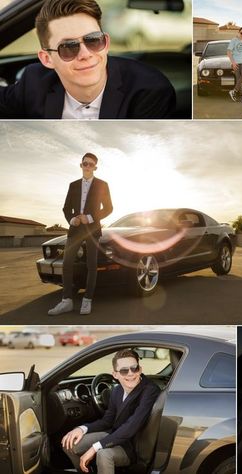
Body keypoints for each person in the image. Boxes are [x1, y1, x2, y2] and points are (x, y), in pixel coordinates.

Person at [0, 0, 175, 119]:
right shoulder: (33, 82)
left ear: (106, 43)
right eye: (68, 47)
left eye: (93, 40)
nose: (85, 54)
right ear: (47, 59)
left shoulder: (150, 91)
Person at [62, 349, 160, 473]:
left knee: (104, 454)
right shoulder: (116, 390)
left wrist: (95, 447)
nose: (130, 374)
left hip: (133, 446)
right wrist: (81, 429)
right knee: (69, 443)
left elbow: (131, 426)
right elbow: (107, 421)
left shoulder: (150, 390)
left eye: (134, 368)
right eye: (124, 370)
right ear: (115, 375)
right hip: (114, 434)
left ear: (140, 370)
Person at [48, 152, 113, 316]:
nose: (88, 166)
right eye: (85, 163)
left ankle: (87, 300)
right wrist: (72, 220)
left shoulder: (102, 184)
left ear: (95, 167)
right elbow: (65, 208)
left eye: (91, 164)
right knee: (67, 263)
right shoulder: (73, 185)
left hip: (92, 230)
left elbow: (109, 208)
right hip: (75, 230)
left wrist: (90, 217)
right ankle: (66, 301)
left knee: (91, 265)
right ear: (81, 165)